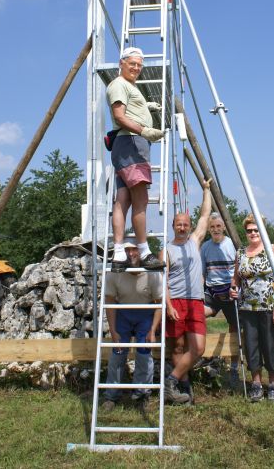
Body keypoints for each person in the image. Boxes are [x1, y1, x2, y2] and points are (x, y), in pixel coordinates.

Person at [106, 46, 164, 272]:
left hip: (125, 145)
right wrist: (144, 131)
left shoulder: (129, 86)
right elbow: (119, 116)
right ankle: (145, 251)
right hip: (132, 143)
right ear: (121, 63)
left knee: (123, 199)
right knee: (140, 200)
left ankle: (119, 254)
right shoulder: (119, 84)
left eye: (139, 65)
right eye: (132, 64)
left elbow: (126, 109)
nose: (137, 68)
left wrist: (145, 107)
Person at [164, 178, 212, 405]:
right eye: (178, 224)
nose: (182, 227)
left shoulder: (195, 241)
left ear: (189, 226)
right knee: (178, 346)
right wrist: (169, 305)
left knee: (198, 348)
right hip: (176, 301)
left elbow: (205, 215)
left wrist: (206, 190)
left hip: (195, 301)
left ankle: (170, 381)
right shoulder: (166, 250)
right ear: (173, 226)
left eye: (185, 224)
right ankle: (182, 387)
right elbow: (161, 281)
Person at [230, 214, 274, 402]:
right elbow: (236, 278)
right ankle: (256, 384)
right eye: (249, 230)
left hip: (269, 307)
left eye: (256, 230)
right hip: (246, 308)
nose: (253, 233)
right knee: (251, 346)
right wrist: (233, 289)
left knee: (271, 345)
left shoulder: (272, 250)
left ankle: (272, 385)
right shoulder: (241, 252)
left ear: (263, 230)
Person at [102, 240, 163, 410]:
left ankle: (142, 394)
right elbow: (110, 300)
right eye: (127, 250)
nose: (131, 254)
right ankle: (112, 395)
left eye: (134, 249)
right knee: (118, 351)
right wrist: (113, 330)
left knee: (144, 352)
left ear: (141, 251)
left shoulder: (152, 273)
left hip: (145, 314)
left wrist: (152, 330)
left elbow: (159, 302)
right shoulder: (116, 271)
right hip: (123, 313)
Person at [201, 213, 239, 383]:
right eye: (212, 227)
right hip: (212, 292)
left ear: (223, 227)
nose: (215, 229)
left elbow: (238, 270)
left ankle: (234, 367)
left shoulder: (231, 244)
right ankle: (204, 352)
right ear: (209, 229)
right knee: (197, 315)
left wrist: (235, 286)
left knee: (235, 326)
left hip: (229, 291)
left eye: (218, 226)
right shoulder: (205, 247)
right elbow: (202, 273)